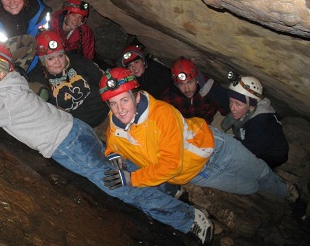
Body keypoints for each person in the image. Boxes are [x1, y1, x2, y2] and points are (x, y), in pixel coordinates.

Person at [0, 42, 216, 246]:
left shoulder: (7, 99)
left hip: (69, 145)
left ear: (1, 71)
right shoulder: (11, 86)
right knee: (118, 170)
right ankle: (169, 189)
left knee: (119, 187)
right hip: (74, 131)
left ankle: (188, 219)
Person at [99, 68, 298, 206]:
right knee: (250, 187)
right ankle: (269, 190)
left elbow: (170, 165)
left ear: (136, 95)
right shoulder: (115, 125)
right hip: (198, 174)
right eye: (113, 103)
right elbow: (113, 141)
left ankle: (286, 190)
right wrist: (113, 154)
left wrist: (133, 178)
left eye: (124, 100)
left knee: (259, 173)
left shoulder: (161, 114)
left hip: (215, 148)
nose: (120, 109)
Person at [29, 30, 108, 127]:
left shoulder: (78, 62)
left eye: (60, 55)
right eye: (51, 58)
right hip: (78, 127)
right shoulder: (37, 79)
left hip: (106, 112)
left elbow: (104, 80)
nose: (57, 62)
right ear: (42, 61)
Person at [221, 75, 289, 169]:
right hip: (255, 141)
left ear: (250, 106)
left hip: (272, 156)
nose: (232, 108)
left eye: (238, 104)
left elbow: (245, 152)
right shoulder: (250, 107)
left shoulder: (260, 125)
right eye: (231, 101)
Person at [161, 57, 230, 125]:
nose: (187, 89)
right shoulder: (169, 98)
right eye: (181, 84)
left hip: (208, 124)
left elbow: (226, 108)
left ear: (197, 79)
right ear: (176, 84)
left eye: (190, 82)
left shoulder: (209, 87)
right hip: (185, 129)